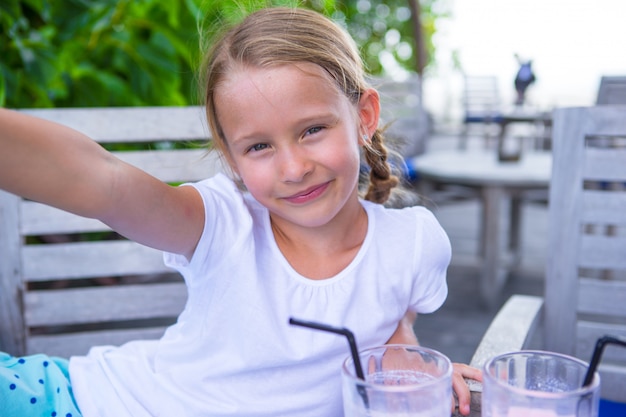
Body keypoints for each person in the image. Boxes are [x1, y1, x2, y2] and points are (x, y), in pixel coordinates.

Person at [0, 7, 481, 417]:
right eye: (259, 146)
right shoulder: (220, 222)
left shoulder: (414, 243)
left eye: (313, 129)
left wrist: (411, 366)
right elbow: (101, 181)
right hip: (87, 400)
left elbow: (392, 327)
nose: (294, 168)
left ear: (364, 117)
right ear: (231, 159)